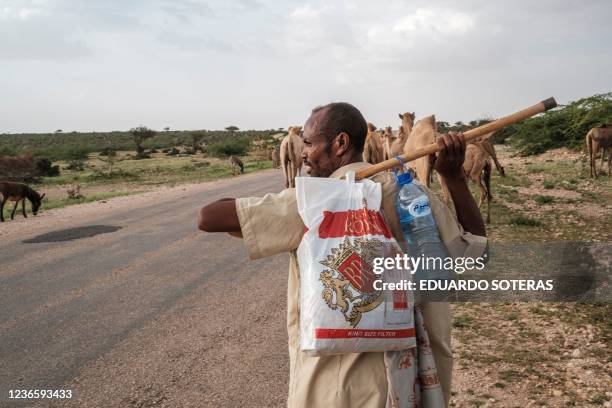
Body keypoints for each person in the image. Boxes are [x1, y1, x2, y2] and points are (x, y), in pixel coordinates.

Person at [198, 102, 487, 408]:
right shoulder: (413, 196)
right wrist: (454, 178)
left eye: (309, 143)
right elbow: (474, 254)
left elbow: (207, 217)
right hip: (410, 387)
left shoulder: (311, 204)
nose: (303, 153)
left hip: (335, 395)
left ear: (340, 143)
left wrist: (271, 200)